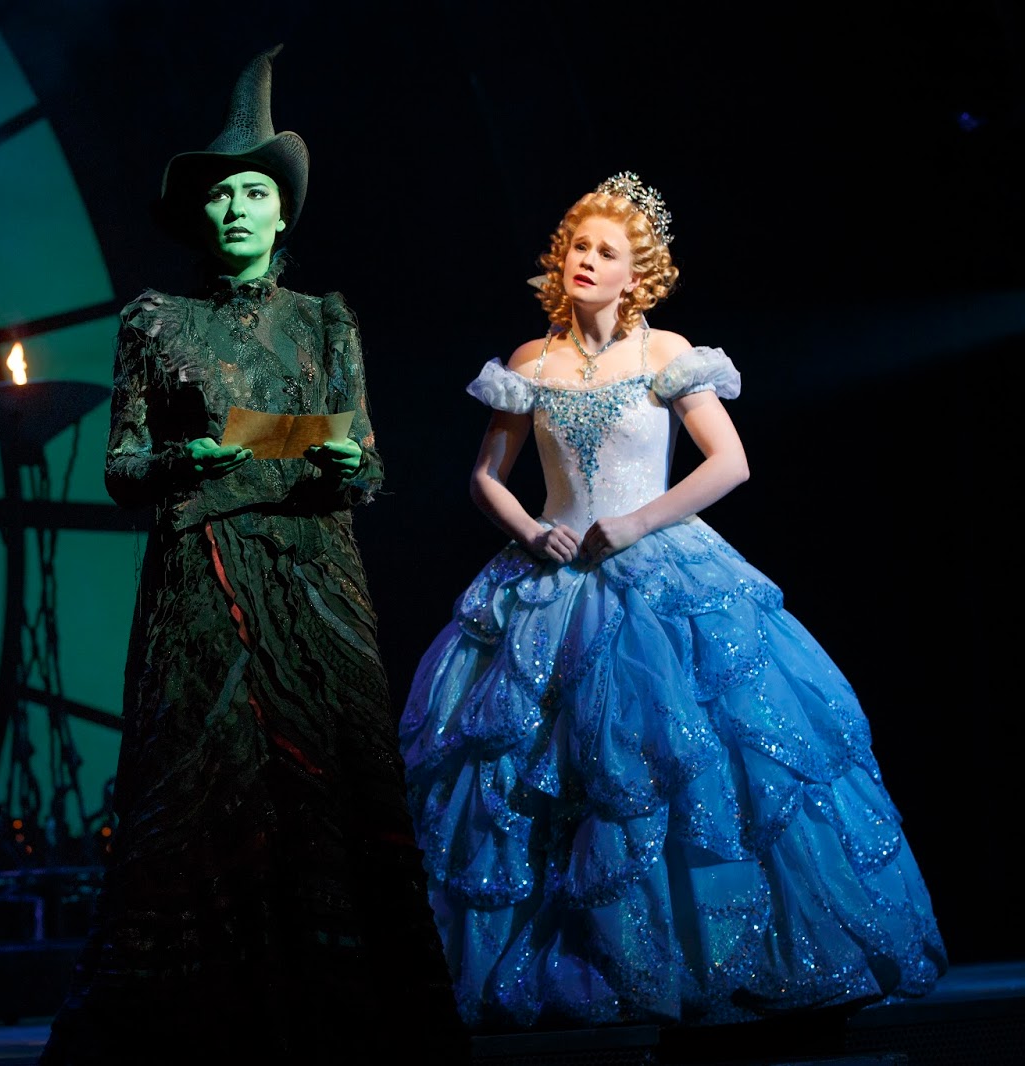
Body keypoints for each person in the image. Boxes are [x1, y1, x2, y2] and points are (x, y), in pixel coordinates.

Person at [398, 172, 948, 1032]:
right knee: (532, 769)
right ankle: (567, 956)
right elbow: (484, 478)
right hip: (550, 579)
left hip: (658, 569)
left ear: (635, 276)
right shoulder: (530, 362)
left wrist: (635, 522)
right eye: (579, 245)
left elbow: (730, 462)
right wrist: (532, 531)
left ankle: (698, 956)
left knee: (674, 758)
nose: (587, 260)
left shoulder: (666, 354)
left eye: (606, 251)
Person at [39, 45, 467, 1063]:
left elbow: (364, 464)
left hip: (317, 580)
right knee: (207, 784)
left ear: (282, 216)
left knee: (335, 786)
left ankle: (354, 1015)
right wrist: (189, 459)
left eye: (254, 192)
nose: (237, 207)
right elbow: (121, 468)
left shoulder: (325, 321)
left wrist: (318, 457)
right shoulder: (157, 321)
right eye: (222, 193)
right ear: (204, 215)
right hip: (204, 585)